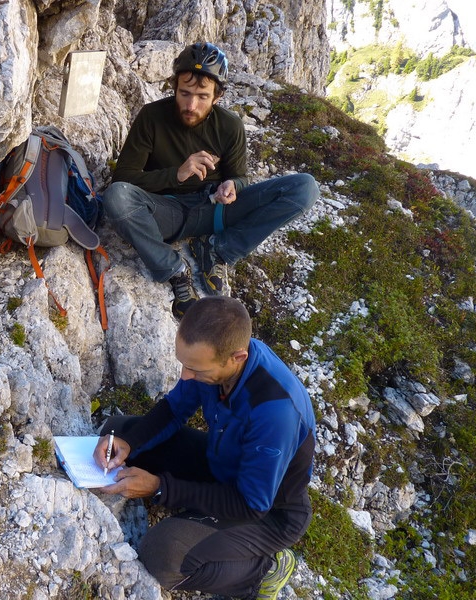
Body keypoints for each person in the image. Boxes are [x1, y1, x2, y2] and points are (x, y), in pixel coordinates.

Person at [94, 297, 316, 600]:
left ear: (236, 358)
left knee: (160, 553)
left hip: (267, 513)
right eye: (184, 365)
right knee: (115, 432)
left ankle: (263, 570)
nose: (186, 376)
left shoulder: (276, 412)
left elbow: (251, 504)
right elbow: (174, 409)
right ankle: (201, 520)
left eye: (196, 370)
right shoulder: (218, 355)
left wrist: (161, 488)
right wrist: (129, 443)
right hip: (221, 466)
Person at [103, 42, 319, 318]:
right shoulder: (152, 117)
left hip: (215, 209)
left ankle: (218, 249)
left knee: (304, 187)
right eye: (184, 93)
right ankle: (176, 271)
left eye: (202, 96)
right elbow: (124, 179)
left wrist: (232, 186)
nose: (191, 105)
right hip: (167, 211)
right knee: (116, 197)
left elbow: (239, 176)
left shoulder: (229, 126)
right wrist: (177, 174)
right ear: (174, 86)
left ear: (217, 96)